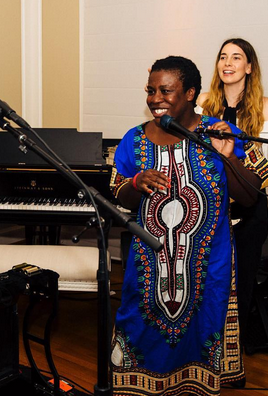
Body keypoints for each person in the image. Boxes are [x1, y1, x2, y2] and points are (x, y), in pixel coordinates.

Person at [110, 56, 268, 396]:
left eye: (166, 91)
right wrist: (136, 182)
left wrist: (226, 157)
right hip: (148, 264)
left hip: (209, 264)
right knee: (138, 323)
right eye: (150, 91)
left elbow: (251, 195)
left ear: (190, 93)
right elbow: (117, 192)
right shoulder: (133, 138)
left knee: (204, 324)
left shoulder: (221, 132)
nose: (155, 99)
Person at [198, 38, 268, 353]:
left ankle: (233, 342)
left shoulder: (265, 108)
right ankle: (204, 332)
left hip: (253, 199)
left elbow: (264, 166)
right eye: (223, 57)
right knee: (208, 268)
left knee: (244, 265)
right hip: (210, 199)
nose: (228, 63)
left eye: (236, 57)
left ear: (249, 67)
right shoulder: (202, 103)